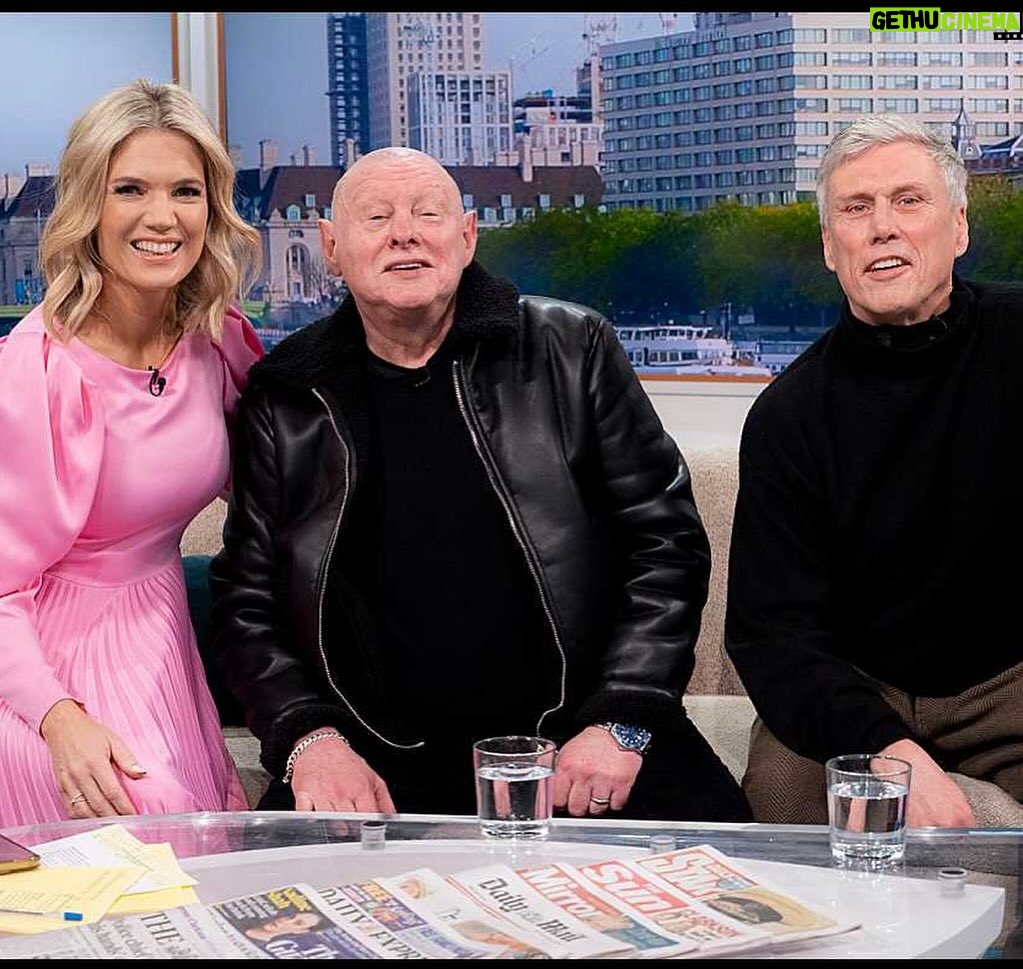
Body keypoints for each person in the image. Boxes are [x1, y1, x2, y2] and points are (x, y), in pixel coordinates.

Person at [209, 146, 751, 823]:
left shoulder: (570, 348)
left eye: (426, 213)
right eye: (375, 217)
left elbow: (664, 544)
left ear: (466, 237)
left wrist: (622, 718)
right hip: (375, 758)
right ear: (332, 248)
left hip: (583, 737)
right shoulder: (285, 395)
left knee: (748, 899)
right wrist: (308, 738)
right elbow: (247, 600)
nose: (402, 232)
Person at [725, 113, 1023, 828]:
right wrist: (883, 747)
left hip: (1010, 679)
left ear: (957, 228)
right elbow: (772, 631)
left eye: (907, 200)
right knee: (782, 792)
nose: (882, 226)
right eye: (856, 209)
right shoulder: (787, 415)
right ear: (832, 248)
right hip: (860, 684)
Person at [0, 78, 264, 825]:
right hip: (38, 675)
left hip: (161, 643)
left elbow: (286, 486)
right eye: (129, 189)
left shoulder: (218, 338)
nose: (162, 217)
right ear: (90, 204)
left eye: (185, 190)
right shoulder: (35, 368)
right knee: (146, 825)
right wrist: (59, 718)